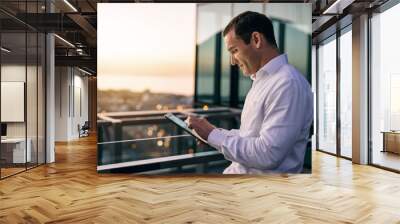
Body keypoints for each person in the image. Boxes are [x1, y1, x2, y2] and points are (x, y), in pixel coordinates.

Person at [186, 11, 313, 174]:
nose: (232, 61)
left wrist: (213, 135)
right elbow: (250, 136)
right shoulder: (263, 81)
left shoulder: (288, 84)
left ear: (256, 40)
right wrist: (213, 134)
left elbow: (268, 154)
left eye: (234, 50)